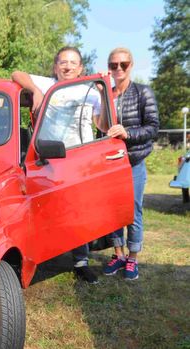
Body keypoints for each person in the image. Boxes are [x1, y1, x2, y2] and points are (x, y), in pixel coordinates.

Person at [11, 46, 101, 284]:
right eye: (63, 62)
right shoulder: (47, 83)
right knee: (47, 209)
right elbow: (16, 74)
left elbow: (99, 123)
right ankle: (42, 256)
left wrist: (105, 90)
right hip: (51, 159)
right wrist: (35, 91)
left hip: (80, 159)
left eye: (73, 63)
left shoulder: (91, 90)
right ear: (55, 67)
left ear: (81, 68)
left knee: (79, 211)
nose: (68, 66)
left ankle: (81, 262)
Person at [99, 47, 159, 280]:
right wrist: (101, 91)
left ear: (131, 65)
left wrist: (128, 133)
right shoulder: (106, 94)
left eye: (123, 64)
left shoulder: (143, 92)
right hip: (110, 164)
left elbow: (153, 127)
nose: (119, 69)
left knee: (133, 211)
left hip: (133, 162)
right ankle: (118, 254)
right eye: (114, 65)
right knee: (114, 211)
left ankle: (133, 257)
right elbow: (100, 127)